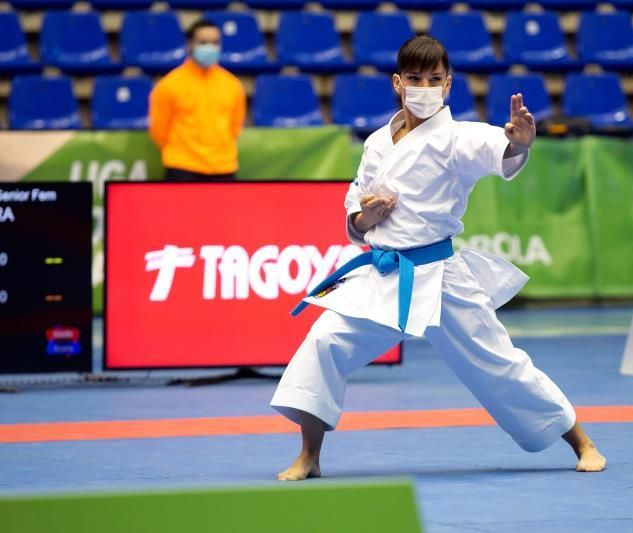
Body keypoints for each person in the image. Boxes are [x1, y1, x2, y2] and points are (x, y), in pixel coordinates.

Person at [270, 36, 606, 481]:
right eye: (414, 79)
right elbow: (354, 205)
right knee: (324, 343)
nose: (424, 87)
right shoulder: (376, 143)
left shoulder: (455, 137)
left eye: (434, 79)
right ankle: (309, 455)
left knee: (500, 364)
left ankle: (583, 442)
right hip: (384, 273)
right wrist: (363, 218)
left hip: (442, 277)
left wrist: (520, 144)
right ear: (398, 83)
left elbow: (496, 147)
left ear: (448, 85)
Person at [148, 19, 246, 181]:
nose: (210, 47)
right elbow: (159, 130)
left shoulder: (232, 85)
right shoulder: (169, 85)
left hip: (223, 167)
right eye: (203, 42)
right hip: (182, 168)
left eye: (215, 42)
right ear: (190, 44)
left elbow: (235, 127)